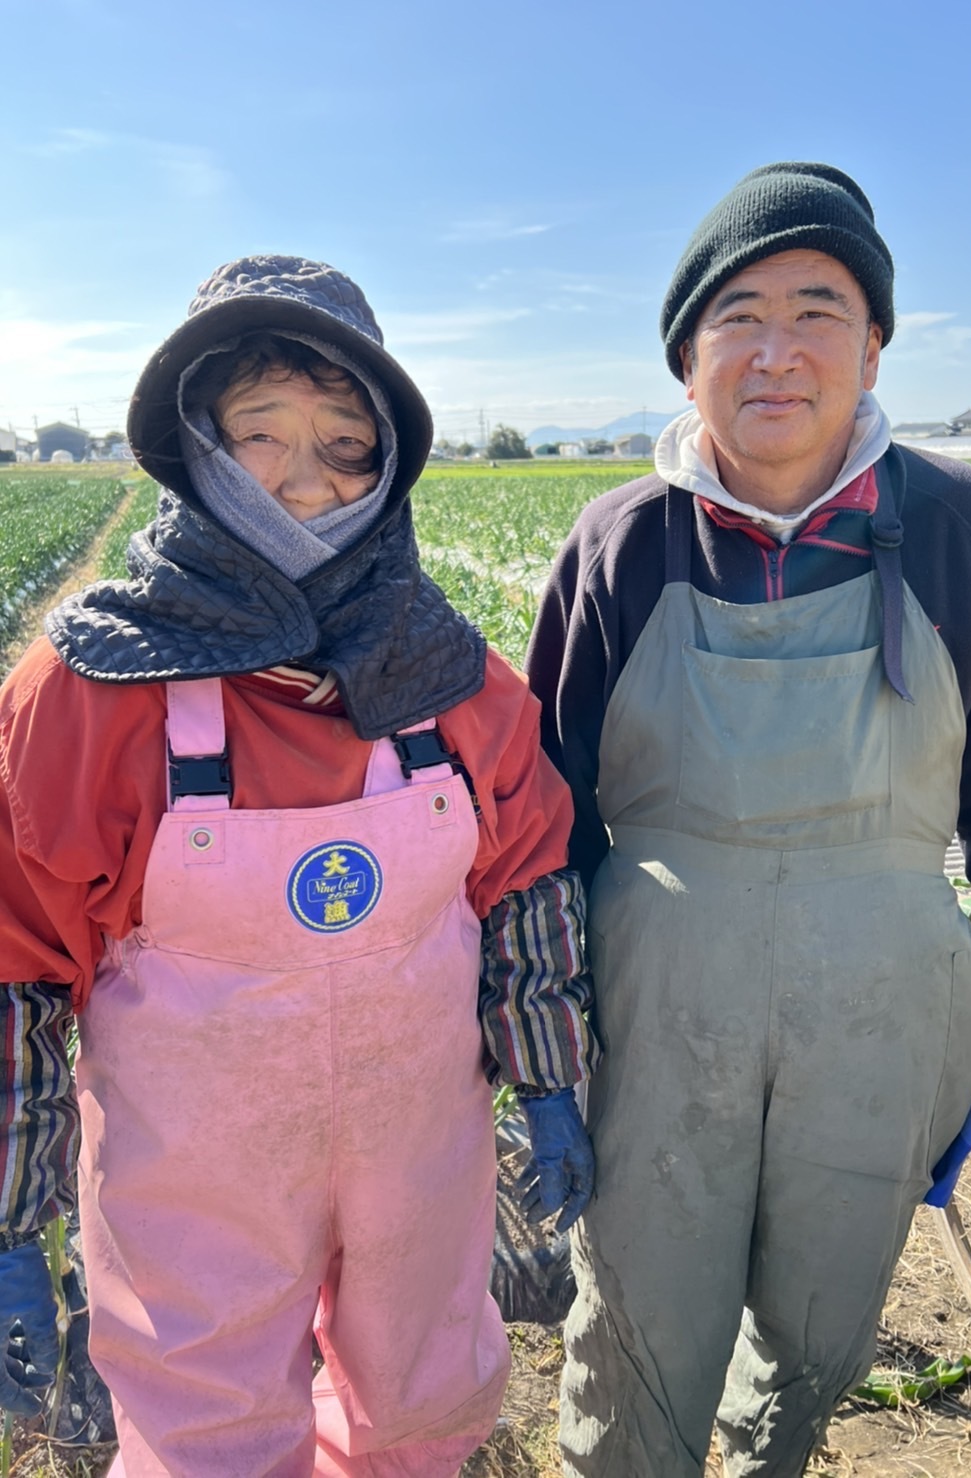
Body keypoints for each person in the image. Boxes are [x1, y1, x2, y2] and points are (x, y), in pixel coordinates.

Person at [525, 162, 971, 1476]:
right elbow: (545, 821)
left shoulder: (959, 524)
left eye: (818, 308)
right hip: (657, 1007)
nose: (776, 352)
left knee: (822, 1328)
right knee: (637, 1331)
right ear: (687, 356)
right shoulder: (620, 542)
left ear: (875, 341)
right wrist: (544, 1047)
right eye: (738, 314)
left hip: (882, 1012)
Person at [0, 255, 598, 1475]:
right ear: (194, 441)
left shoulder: (455, 680)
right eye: (259, 432)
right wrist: (11, 1219)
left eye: (343, 441)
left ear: (389, 464)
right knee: (206, 1429)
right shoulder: (92, 693)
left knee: (427, 1399)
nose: (304, 478)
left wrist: (548, 1083)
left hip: (419, 1148)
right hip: (198, 1182)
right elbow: (15, 953)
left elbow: (528, 887)